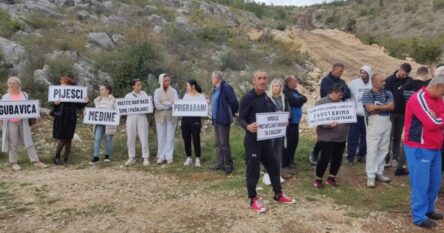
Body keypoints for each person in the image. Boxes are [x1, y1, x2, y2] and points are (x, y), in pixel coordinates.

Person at [239, 70, 295, 213]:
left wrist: (281, 122)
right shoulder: (247, 98)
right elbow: (241, 118)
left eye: (264, 78)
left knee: (274, 166)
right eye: (259, 78)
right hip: (252, 141)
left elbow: (272, 116)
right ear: (254, 81)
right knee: (253, 171)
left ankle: (278, 194)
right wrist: (247, 126)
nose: (262, 81)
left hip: (265, 140)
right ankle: (253, 198)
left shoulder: (266, 98)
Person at [403, 74, 444, 229]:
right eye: (443, 91)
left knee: (434, 182)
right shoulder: (418, 98)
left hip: (434, 146)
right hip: (418, 147)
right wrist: (438, 119)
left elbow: (438, 119)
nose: (443, 95)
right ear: (438, 86)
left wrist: (439, 118)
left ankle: (428, 209)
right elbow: (432, 123)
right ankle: (419, 216)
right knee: (421, 183)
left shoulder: (438, 99)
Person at [1, 76, 48, 171]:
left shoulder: (24, 94)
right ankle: (14, 163)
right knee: (12, 143)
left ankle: (36, 161)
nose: (11, 85)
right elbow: (3, 109)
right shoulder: (5, 97)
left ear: (18, 84)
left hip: (23, 121)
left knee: (28, 140)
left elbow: (30, 106)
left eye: (14, 83)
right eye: (9, 83)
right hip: (11, 122)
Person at [310, 63, 351, 165]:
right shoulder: (326, 80)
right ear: (334, 70)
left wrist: (337, 93)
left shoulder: (342, 81)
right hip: (326, 109)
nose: (341, 74)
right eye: (340, 71)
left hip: (338, 109)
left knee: (335, 131)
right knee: (323, 134)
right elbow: (324, 92)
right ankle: (315, 153)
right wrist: (336, 92)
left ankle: (331, 156)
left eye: (342, 72)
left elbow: (348, 93)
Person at [395, 66, 431, 176]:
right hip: (419, 119)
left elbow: (399, 100)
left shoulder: (406, 86)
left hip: (407, 116)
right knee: (417, 143)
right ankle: (415, 167)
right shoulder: (424, 87)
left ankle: (400, 166)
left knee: (405, 141)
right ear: (425, 75)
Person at [313, 83, 349, 189]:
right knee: (324, 158)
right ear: (332, 92)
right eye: (339, 94)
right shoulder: (321, 103)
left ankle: (331, 177)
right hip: (326, 137)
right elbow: (317, 119)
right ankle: (318, 179)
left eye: (342, 94)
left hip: (341, 137)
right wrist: (328, 125)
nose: (341, 96)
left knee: (337, 158)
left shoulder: (343, 103)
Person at [362, 74, 394, 187]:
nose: (384, 83)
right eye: (381, 81)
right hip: (374, 122)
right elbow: (370, 108)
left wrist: (378, 107)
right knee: (372, 148)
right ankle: (371, 175)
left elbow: (392, 107)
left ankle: (379, 172)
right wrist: (384, 106)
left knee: (383, 148)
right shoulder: (367, 93)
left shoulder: (388, 93)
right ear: (374, 82)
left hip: (387, 121)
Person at [52, 76, 88, 165]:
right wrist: (56, 104)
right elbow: (54, 107)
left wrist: (85, 101)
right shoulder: (58, 92)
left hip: (71, 118)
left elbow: (78, 106)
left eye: (63, 83)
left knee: (69, 138)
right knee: (63, 138)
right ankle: (56, 157)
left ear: (68, 84)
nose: (61, 85)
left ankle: (66, 158)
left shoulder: (73, 93)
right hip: (61, 117)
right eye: (61, 83)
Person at [384, 63, 413, 168]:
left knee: (397, 136)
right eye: (403, 74)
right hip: (390, 112)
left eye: (406, 75)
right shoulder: (388, 80)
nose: (404, 76)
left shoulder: (409, 81)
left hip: (402, 113)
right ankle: (386, 158)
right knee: (388, 136)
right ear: (399, 70)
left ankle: (395, 158)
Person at [263, 78, 290, 185]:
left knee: (278, 151)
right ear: (271, 87)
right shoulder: (266, 98)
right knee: (269, 151)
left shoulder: (284, 98)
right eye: (273, 86)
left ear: (280, 88)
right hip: (269, 130)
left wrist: (286, 119)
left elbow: (288, 110)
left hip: (280, 130)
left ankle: (276, 174)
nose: (275, 88)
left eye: (277, 86)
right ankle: (266, 174)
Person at [210, 71, 239, 174]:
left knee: (224, 143)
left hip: (223, 119)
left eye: (212, 78)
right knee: (218, 143)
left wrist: (233, 112)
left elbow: (234, 101)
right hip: (216, 119)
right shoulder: (215, 89)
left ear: (217, 78)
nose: (211, 79)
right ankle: (220, 164)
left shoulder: (226, 87)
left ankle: (229, 165)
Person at [347, 65, 372, 164]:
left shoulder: (372, 83)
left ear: (369, 74)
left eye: (365, 73)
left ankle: (361, 155)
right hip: (356, 114)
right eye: (361, 72)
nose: (363, 75)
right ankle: (350, 157)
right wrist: (352, 108)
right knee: (353, 136)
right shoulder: (354, 83)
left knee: (366, 136)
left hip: (368, 115)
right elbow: (350, 97)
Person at [282, 75, 306, 169]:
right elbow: (294, 102)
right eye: (295, 80)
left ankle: (291, 160)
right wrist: (300, 100)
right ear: (289, 82)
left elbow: (304, 98)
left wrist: (300, 100)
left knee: (294, 142)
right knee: (288, 143)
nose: (297, 82)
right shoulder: (285, 91)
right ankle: (286, 162)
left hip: (296, 122)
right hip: (289, 122)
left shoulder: (295, 91)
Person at [124, 79, 150, 166]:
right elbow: (123, 107)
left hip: (142, 117)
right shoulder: (128, 96)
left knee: (144, 137)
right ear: (133, 86)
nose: (140, 86)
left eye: (140, 85)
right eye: (138, 85)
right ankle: (131, 157)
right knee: (130, 138)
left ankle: (145, 157)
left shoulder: (144, 94)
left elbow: (148, 105)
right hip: (131, 117)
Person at [154, 73, 178, 164]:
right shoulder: (157, 91)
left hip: (171, 116)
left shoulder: (174, 91)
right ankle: (161, 156)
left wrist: (164, 102)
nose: (167, 82)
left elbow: (175, 103)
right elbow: (157, 105)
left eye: (168, 80)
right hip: (160, 116)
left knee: (170, 136)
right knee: (161, 136)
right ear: (161, 81)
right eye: (165, 81)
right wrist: (168, 104)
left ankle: (169, 157)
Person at [181, 80, 206, 167]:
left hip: (196, 119)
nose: (186, 88)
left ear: (193, 86)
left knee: (196, 138)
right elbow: (181, 107)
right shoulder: (186, 96)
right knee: (186, 138)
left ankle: (198, 158)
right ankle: (189, 157)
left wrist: (207, 103)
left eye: (188, 86)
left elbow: (205, 108)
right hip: (185, 120)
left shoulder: (201, 96)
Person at [89, 84, 116, 165]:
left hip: (109, 123)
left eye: (103, 89)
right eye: (100, 89)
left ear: (108, 91)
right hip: (99, 123)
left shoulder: (113, 100)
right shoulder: (97, 100)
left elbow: (116, 111)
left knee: (108, 139)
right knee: (97, 139)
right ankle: (96, 157)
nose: (101, 91)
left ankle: (107, 156)